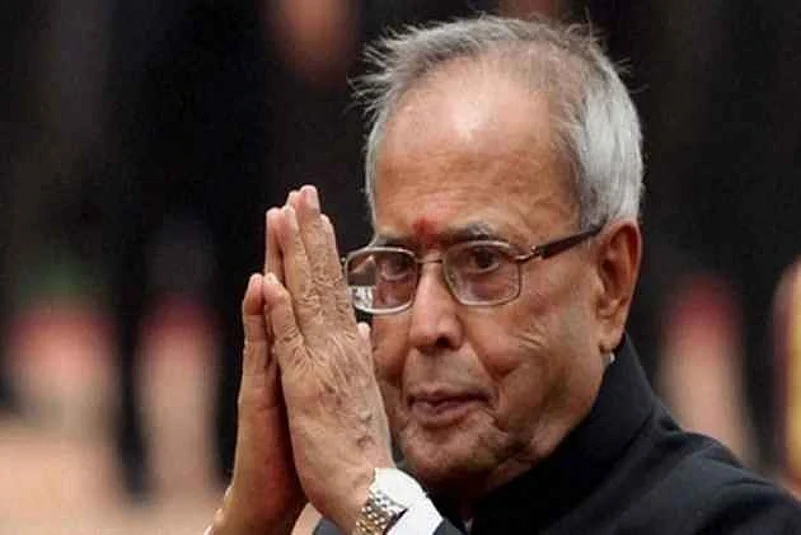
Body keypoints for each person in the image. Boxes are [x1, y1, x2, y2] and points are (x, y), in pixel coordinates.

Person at [205, 16, 801, 534]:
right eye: (397, 266)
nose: (426, 327)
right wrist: (250, 521)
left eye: (482, 262)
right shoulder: (366, 517)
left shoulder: (733, 521)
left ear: (610, 281)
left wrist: (377, 504)